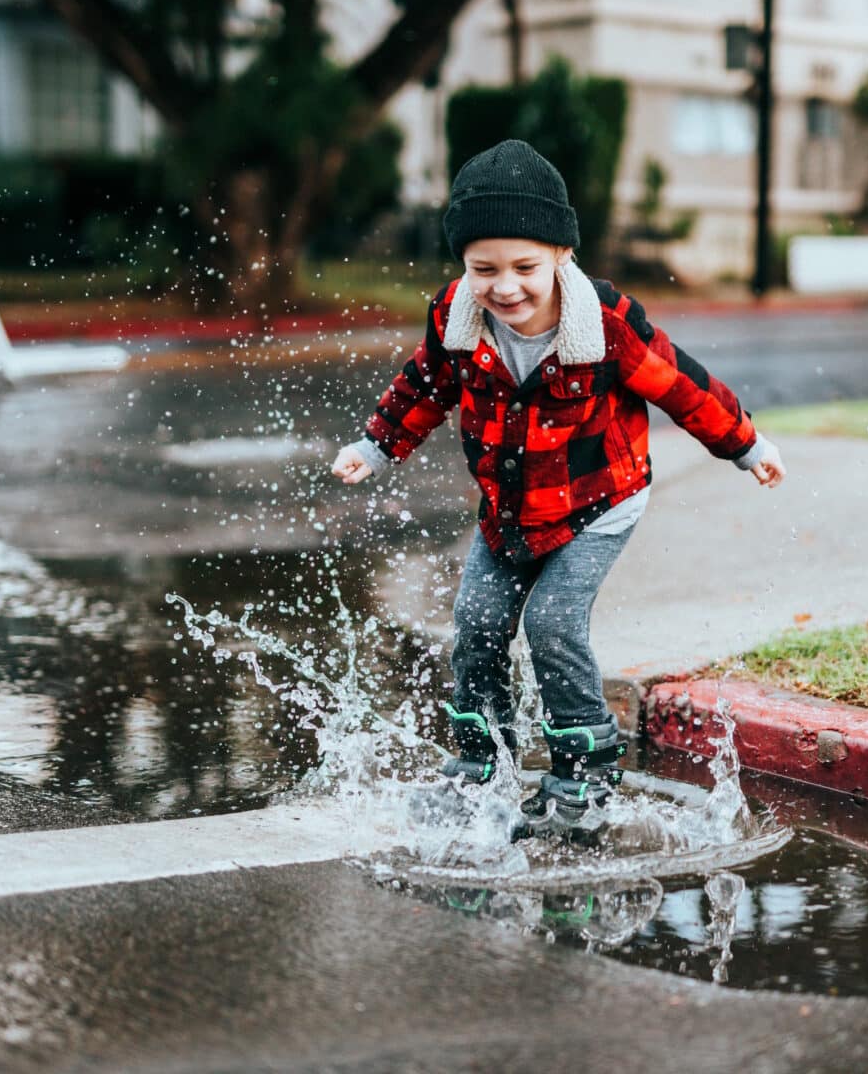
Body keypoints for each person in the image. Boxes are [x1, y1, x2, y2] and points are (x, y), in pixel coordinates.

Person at [332, 139, 785, 833]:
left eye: (525, 267)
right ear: (463, 263)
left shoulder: (604, 323)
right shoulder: (456, 315)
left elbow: (681, 385)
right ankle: (482, 763)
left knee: (551, 621)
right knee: (477, 624)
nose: (504, 286)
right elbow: (425, 384)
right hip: (508, 513)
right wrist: (377, 445)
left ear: (562, 257)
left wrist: (745, 445)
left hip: (599, 504)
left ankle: (584, 766)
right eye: (485, 268)